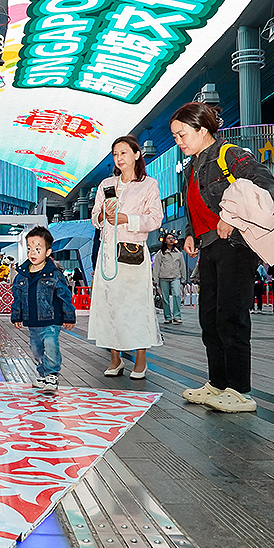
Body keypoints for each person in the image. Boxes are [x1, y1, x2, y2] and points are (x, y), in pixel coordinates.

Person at [171, 101, 274, 413]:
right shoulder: (191, 167)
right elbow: (195, 207)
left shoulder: (229, 154)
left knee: (231, 317)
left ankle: (240, 391)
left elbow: (266, 185)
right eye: (175, 136)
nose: (178, 141)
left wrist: (231, 216)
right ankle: (217, 384)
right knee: (209, 319)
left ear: (203, 129)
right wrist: (190, 233)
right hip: (209, 247)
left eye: (182, 134)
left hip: (235, 245)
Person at [88, 135, 163, 379]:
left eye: (123, 153)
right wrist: (103, 215)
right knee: (109, 305)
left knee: (136, 305)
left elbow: (155, 218)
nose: (119, 158)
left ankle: (141, 358)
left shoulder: (149, 185)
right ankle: (115, 357)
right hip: (108, 254)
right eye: (115, 154)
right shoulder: (106, 184)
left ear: (136, 154)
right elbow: (95, 218)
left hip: (132, 253)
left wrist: (126, 219)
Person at [11, 226, 76, 391]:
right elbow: (17, 297)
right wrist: (17, 315)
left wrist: (69, 317)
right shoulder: (22, 275)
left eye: (38, 249)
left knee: (51, 345)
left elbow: (64, 295)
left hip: (51, 320)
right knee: (36, 349)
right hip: (32, 320)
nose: (32, 252)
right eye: (29, 249)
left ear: (48, 252)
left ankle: (52, 375)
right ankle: (43, 374)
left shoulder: (54, 274)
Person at [152, 232, 186, 324]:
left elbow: (182, 266)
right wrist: (155, 279)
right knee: (165, 298)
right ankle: (167, 317)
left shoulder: (178, 253)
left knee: (177, 295)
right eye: (168, 238)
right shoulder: (160, 253)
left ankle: (177, 316)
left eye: (172, 238)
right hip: (163, 277)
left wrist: (184, 278)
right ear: (165, 241)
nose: (171, 240)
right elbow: (156, 266)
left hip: (175, 277)